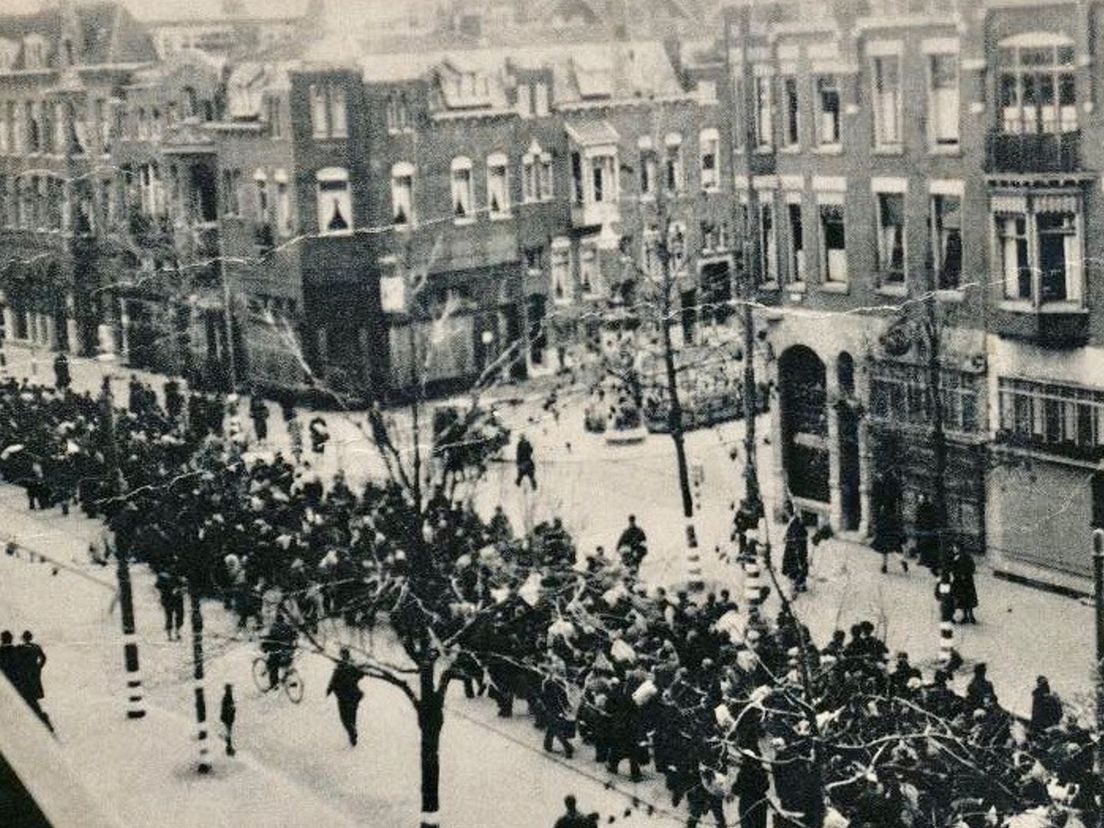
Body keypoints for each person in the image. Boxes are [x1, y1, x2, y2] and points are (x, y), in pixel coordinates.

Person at [326, 647, 364, 746]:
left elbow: (334, 680)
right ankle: (353, 732)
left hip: (343, 696)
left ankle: (352, 732)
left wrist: (329, 690)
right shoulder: (353, 664)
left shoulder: (340, 666)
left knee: (344, 718)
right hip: (354, 695)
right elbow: (361, 674)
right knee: (352, 716)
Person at [871, 473, 908, 575]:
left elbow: (876, 505)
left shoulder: (881, 489)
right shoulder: (894, 488)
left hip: (883, 521)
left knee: (883, 545)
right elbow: (899, 502)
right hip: (893, 521)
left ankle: (884, 566)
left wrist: (876, 520)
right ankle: (901, 560)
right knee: (896, 544)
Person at [14, 631, 51, 731]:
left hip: (25, 672)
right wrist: (39, 667)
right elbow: (43, 658)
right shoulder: (36, 647)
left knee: (27, 690)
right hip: (34, 671)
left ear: (23, 638)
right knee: (34, 689)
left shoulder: (20, 648)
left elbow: (16, 659)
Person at [261, 613, 297, 690]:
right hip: (289, 651)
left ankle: (274, 684)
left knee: (273, 665)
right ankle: (289, 679)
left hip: (279, 651)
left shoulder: (274, 628)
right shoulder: (288, 627)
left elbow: (271, 639)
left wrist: (264, 646)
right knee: (287, 664)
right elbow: (294, 635)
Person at [781, 503, 809, 594]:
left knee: (796, 566)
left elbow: (801, 535)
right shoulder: (793, 520)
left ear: (789, 511)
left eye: (786, 510)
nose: (785, 512)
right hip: (793, 546)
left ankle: (799, 585)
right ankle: (799, 584)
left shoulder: (796, 521)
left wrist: (790, 539)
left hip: (795, 548)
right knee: (795, 566)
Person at [155, 570, 185, 641]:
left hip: (177, 598)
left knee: (179, 615)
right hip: (168, 598)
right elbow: (158, 586)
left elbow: (184, 584)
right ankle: (170, 634)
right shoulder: (163, 575)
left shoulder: (178, 574)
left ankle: (177, 631)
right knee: (169, 616)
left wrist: (180, 588)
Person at [913, 493, 939, 574]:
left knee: (924, 543)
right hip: (923, 527)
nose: (919, 500)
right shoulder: (922, 507)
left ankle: (925, 560)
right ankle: (923, 560)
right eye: (919, 499)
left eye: (921, 499)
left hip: (926, 528)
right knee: (921, 543)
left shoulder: (926, 507)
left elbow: (921, 518)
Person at [950, 547, 978, 623]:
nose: (954, 549)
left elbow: (972, 568)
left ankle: (969, 616)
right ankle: (965, 616)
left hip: (964, 581)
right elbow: (953, 568)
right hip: (962, 581)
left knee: (966, 598)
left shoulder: (964, 558)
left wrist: (964, 574)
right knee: (963, 598)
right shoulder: (957, 557)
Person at [220, 683, 236, 756]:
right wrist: (232, 708)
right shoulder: (227, 697)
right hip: (228, 718)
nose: (231, 690)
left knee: (229, 733)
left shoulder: (228, 697)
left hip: (228, 718)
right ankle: (228, 749)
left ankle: (229, 748)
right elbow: (227, 708)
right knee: (228, 734)